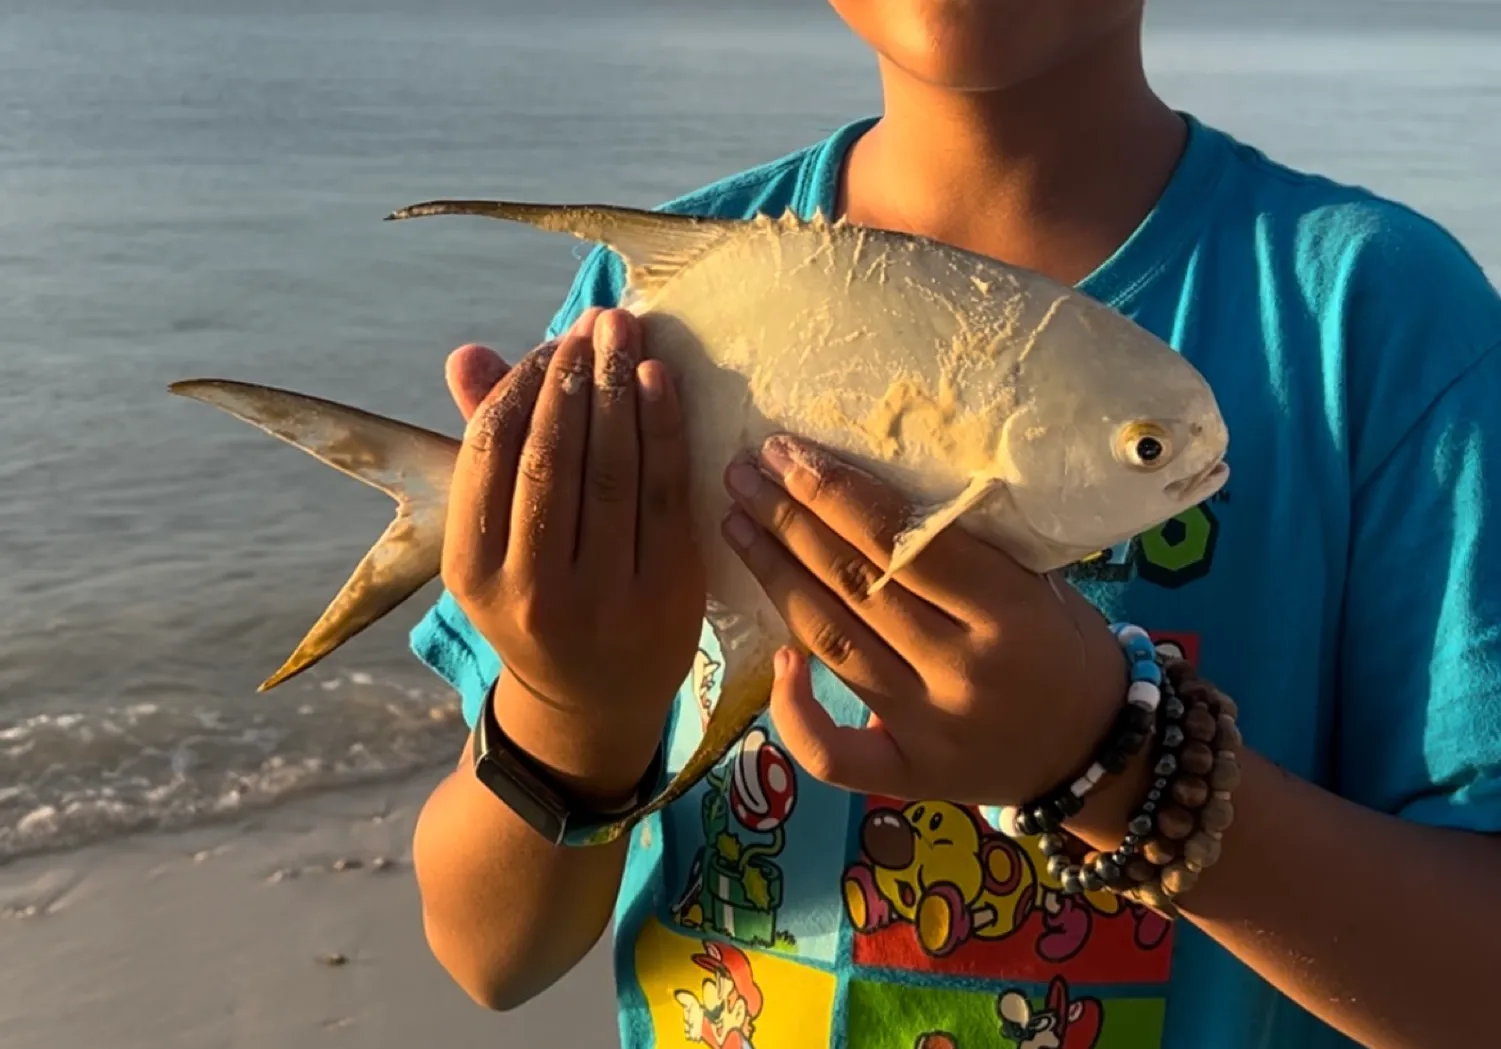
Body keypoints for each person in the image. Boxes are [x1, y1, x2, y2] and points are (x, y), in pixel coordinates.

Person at [407, 2, 1501, 1047]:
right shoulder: (651, 304)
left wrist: (1114, 764)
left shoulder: (1366, 320)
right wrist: (569, 713)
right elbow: (488, 951)